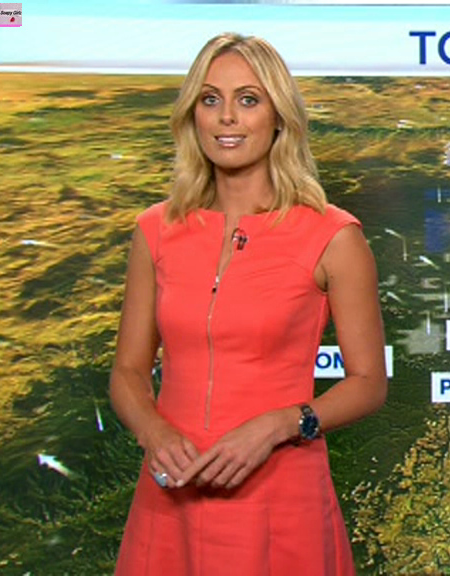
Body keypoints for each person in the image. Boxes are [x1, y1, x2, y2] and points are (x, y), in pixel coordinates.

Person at [109, 32, 387, 575]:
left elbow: (368, 383)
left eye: (248, 99)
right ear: (192, 116)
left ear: (279, 116)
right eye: (210, 99)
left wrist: (281, 425)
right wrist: (154, 432)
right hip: (171, 494)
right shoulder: (156, 230)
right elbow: (127, 371)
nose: (227, 118)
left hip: (280, 501)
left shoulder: (332, 237)